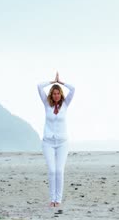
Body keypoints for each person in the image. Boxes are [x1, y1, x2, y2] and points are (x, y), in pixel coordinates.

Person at [37, 72, 75, 207]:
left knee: (59, 171)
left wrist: (62, 82)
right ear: (51, 95)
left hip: (62, 143)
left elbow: (74, 88)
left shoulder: (65, 104)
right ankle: (52, 199)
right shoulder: (47, 104)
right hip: (48, 142)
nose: (56, 95)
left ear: (61, 94)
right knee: (52, 171)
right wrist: (52, 82)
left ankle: (58, 200)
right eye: (54, 93)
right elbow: (38, 86)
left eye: (58, 93)